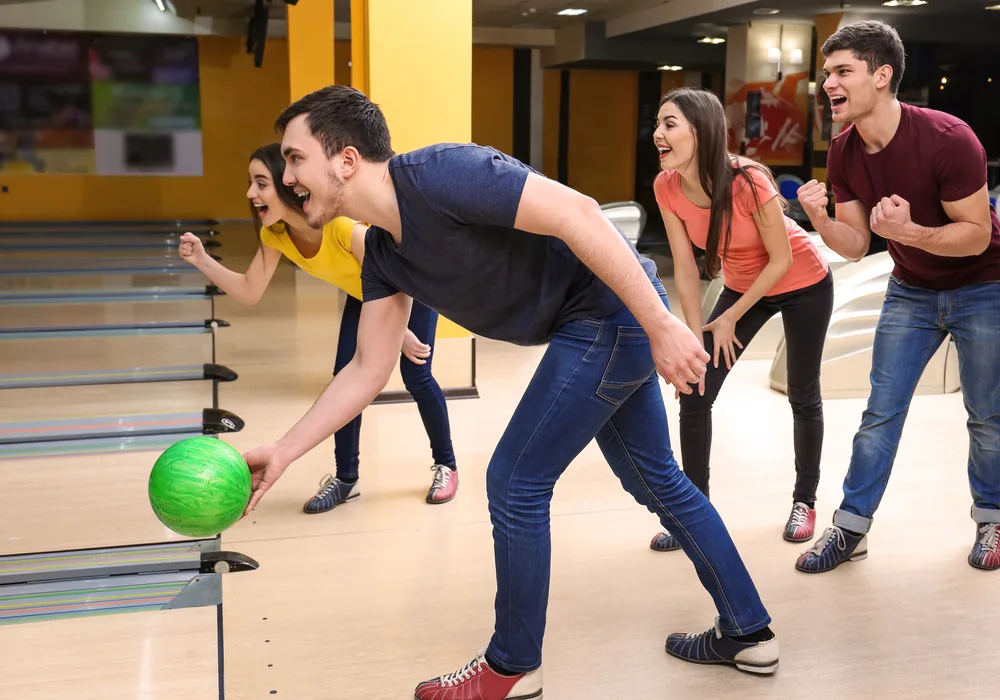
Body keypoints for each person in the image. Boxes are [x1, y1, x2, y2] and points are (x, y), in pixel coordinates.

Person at [240, 85, 780, 700]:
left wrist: (661, 324)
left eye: (293, 158)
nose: (285, 178)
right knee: (655, 479)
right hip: (595, 325)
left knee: (516, 479)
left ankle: (513, 664)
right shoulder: (384, 255)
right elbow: (367, 368)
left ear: (344, 159)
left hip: (608, 314)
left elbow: (579, 213)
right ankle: (749, 631)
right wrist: (284, 450)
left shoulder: (442, 174)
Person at [796, 19, 1000, 573]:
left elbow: (978, 234)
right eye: (826, 73)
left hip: (983, 286)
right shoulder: (844, 151)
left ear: (881, 75)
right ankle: (851, 530)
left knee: (986, 416)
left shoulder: (949, 138)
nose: (828, 84)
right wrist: (817, 217)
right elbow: (856, 244)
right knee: (879, 414)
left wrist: (911, 234)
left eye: (842, 72)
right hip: (910, 290)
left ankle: (992, 519)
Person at [178, 143, 459, 511]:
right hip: (366, 293)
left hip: (411, 286)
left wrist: (399, 333)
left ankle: (446, 465)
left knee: (417, 376)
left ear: (287, 184)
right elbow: (249, 290)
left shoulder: (343, 228)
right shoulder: (275, 235)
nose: (251, 193)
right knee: (345, 379)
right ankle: (346, 479)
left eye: (261, 183)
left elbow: (396, 275)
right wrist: (202, 260)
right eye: (250, 183)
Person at [647, 88, 833, 554]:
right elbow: (685, 266)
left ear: (700, 130)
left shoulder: (749, 179)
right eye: (657, 124)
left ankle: (804, 501)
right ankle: (695, 515)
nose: (658, 134)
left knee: (803, 392)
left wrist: (730, 315)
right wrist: (694, 338)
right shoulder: (666, 186)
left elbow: (782, 258)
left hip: (802, 281)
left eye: (670, 124)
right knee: (696, 388)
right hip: (742, 283)